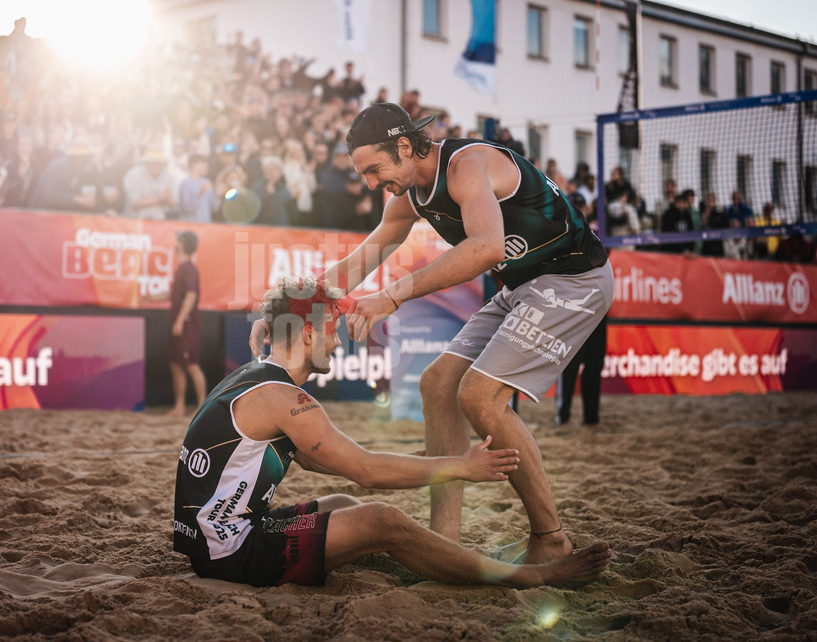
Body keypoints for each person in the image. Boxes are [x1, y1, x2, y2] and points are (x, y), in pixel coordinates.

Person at [250, 103, 613, 566]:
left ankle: (551, 537)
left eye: (373, 169)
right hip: (525, 286)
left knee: (479, 398)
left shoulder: (466, 166)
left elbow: (487, 247)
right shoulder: (408, 194)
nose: (369, 184)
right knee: (437, 383)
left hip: (575, 279)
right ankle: (449, 542)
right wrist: (283, 309)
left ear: (404, 146)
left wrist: (391, 296)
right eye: (362, 174)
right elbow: (356, 264)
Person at [179, 276, 611, 588]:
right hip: (231, 551)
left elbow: (317, 459)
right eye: (330, 333)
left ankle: (435, 562)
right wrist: (459, 466)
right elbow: (366, 470)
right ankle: (531, 577)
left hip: (215, 536)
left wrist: (428, 462)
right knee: (383, 518)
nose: (338, 343)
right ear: (307, 335)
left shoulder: (255, 376)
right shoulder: (285, 399)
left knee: (347, 505)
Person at [160, 231, 207, 418]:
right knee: (176, 365)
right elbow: (172, 295)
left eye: (178, 240)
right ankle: (179, 407)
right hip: (180, 323)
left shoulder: (189, 268)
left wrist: (180, 320)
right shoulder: (182, 268)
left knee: (191, 365)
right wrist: (147, 297)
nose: (175, 243)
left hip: (187, 325)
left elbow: (191, 295)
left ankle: (201, 407)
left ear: (182, 244)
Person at [555, 314, 608, 427]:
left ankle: (592, 418)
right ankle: (563, 417)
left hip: (597, 317)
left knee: (594, 367)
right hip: (575, 315)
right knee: (569, 367)